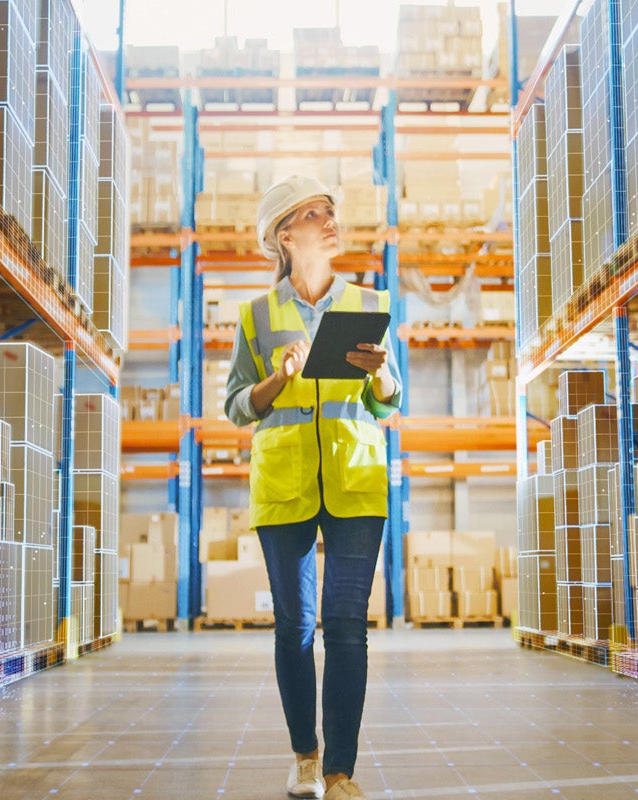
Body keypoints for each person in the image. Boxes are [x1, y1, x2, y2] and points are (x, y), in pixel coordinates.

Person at [224, 175, 401, 800]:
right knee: (295, 627)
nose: (329, 221)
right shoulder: (256, 315)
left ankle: (339, 772)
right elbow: (237, 407)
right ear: (284, 235)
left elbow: (388, 404)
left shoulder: (368, 304)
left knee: (347, 625)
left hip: (355, 483)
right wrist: (277, 379)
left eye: (331, 211)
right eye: (312, 213)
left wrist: (380, 377)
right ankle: (305, 756)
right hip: (285, 485)